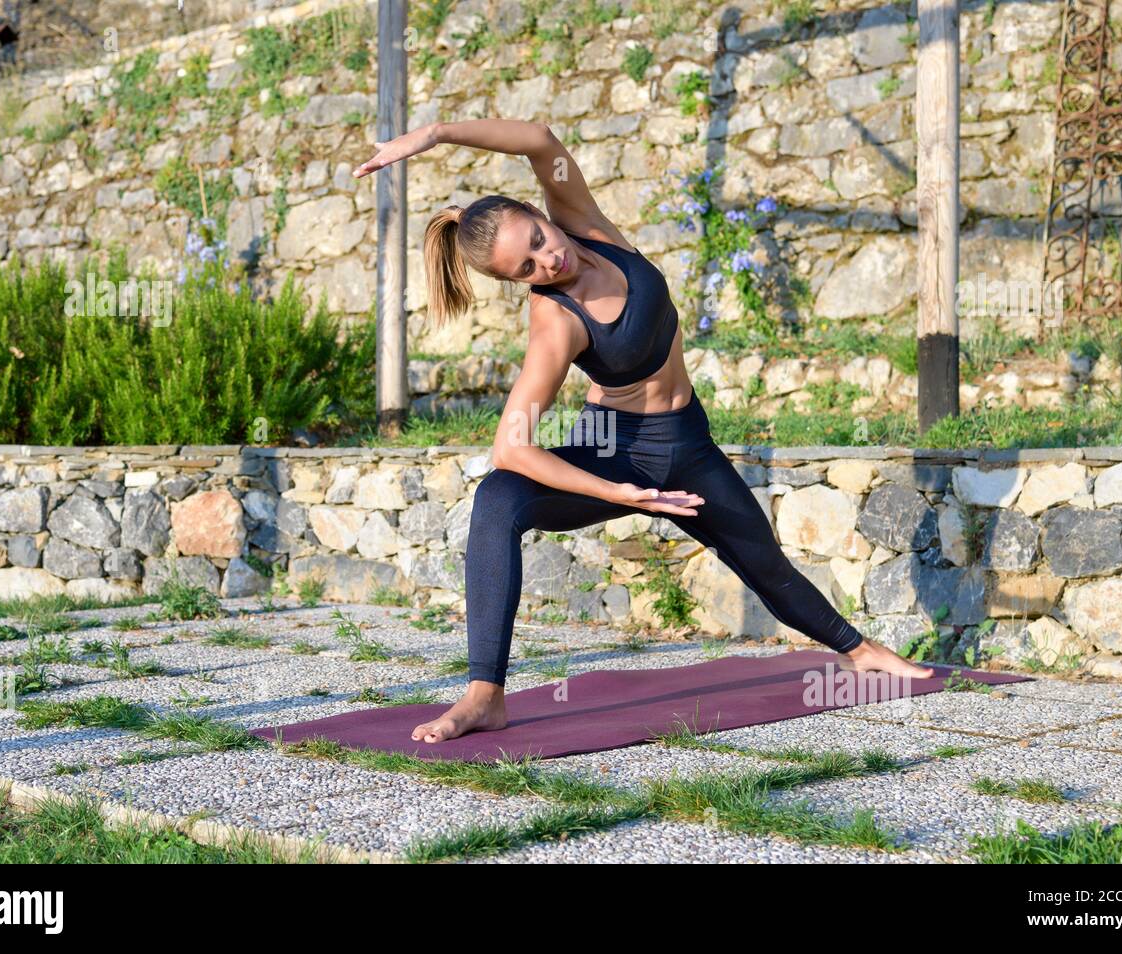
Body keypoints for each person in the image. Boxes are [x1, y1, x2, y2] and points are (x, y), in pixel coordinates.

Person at [352, 117, 934, 744]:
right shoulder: (554, 323)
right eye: (527, 267)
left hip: (686, 443)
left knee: (764, 562)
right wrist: (614, 493)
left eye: (539, 238)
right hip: (614, 450)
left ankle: (859, 651)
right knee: (497, 497)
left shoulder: (588, 226)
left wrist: (436, 134)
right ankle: (483, 694)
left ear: (539, 210)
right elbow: (510, 446)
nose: (550, 258)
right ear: (517, 282)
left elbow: (542, 141)